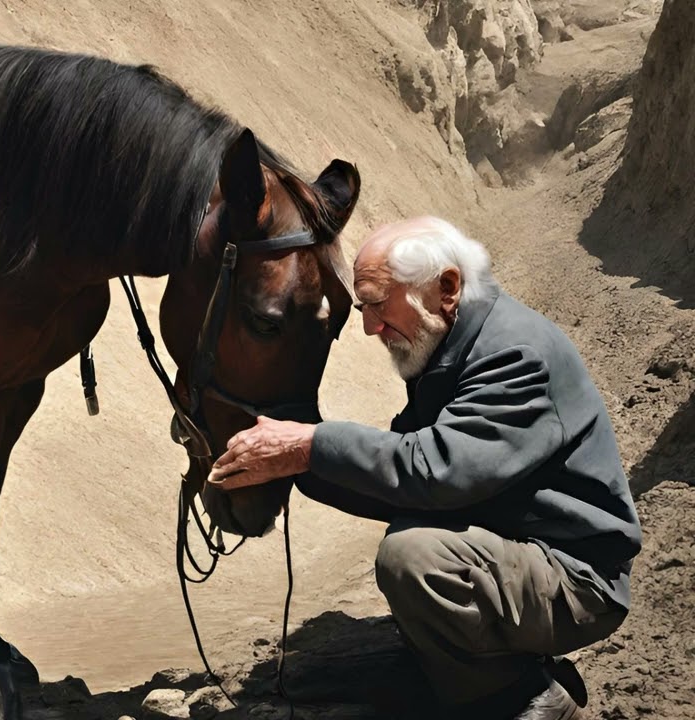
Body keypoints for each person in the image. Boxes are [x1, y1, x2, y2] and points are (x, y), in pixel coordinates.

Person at [208, 216, 642, 719]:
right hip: (520, 555)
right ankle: (494, 672)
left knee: (414, 557)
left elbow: (435, 472)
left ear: (448, 288)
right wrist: (295, 463)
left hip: (577, 579)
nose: (369, 327)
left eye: (376, 303)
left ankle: (527, 697)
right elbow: (400, 482)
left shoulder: (512, 354)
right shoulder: (452, 346)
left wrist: (311, 445)